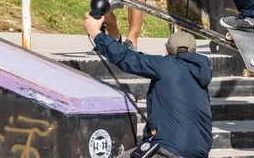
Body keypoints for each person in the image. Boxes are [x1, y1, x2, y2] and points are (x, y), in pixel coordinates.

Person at [82, 15, 212, 158]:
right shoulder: (201, 75)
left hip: (170, 150)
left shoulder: (164, 65)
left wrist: (96, 34)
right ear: (193, 53)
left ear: (166, 52)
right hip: (200, 152)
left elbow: (126, 58)